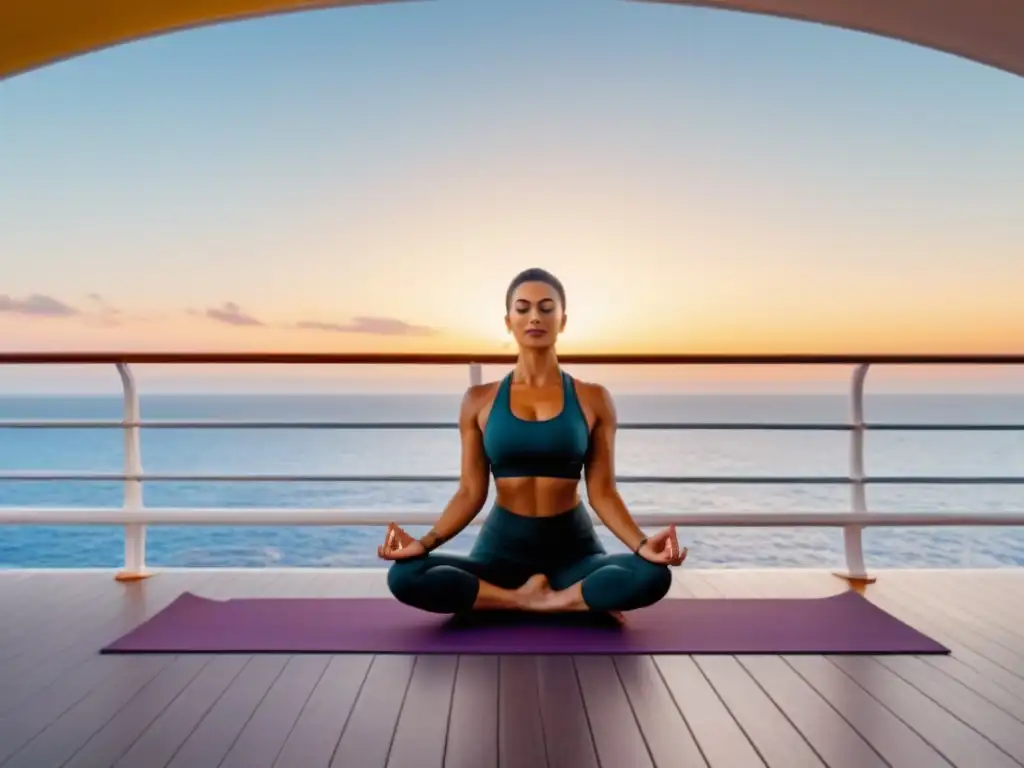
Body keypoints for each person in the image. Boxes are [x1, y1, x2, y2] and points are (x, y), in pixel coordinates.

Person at [379, 267, 687, 618]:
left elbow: (603, 492)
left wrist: (643, 545)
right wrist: (424, 543)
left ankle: (552, 598)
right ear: (508, 321)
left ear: (563, 320)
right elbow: (470, 491)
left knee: (652, 576)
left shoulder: (593, 398)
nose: (535, 317)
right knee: (405, 575)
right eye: (523, 308)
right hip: (499, 552)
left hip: (575, 554)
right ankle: (529, 599)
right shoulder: (478, 400)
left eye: (546, 307)